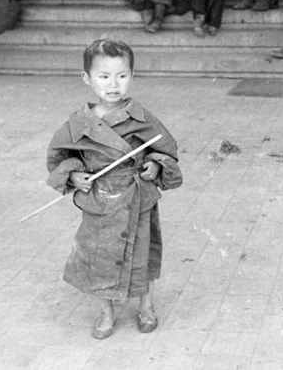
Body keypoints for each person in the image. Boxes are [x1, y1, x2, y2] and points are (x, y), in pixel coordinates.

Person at [45, 39, 182, 340]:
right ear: (87, 79)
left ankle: (146, 305)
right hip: (100, 201)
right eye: (104, 76)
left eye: (122, 76)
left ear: (132, 76)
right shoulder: (78, 123)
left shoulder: (141, 117)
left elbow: (167, 149)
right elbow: (59, 157)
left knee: (142, 253)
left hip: (137, 198)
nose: (113, 85)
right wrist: (74, 176)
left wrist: (156, 166)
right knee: (99, 258)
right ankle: (106, 311)